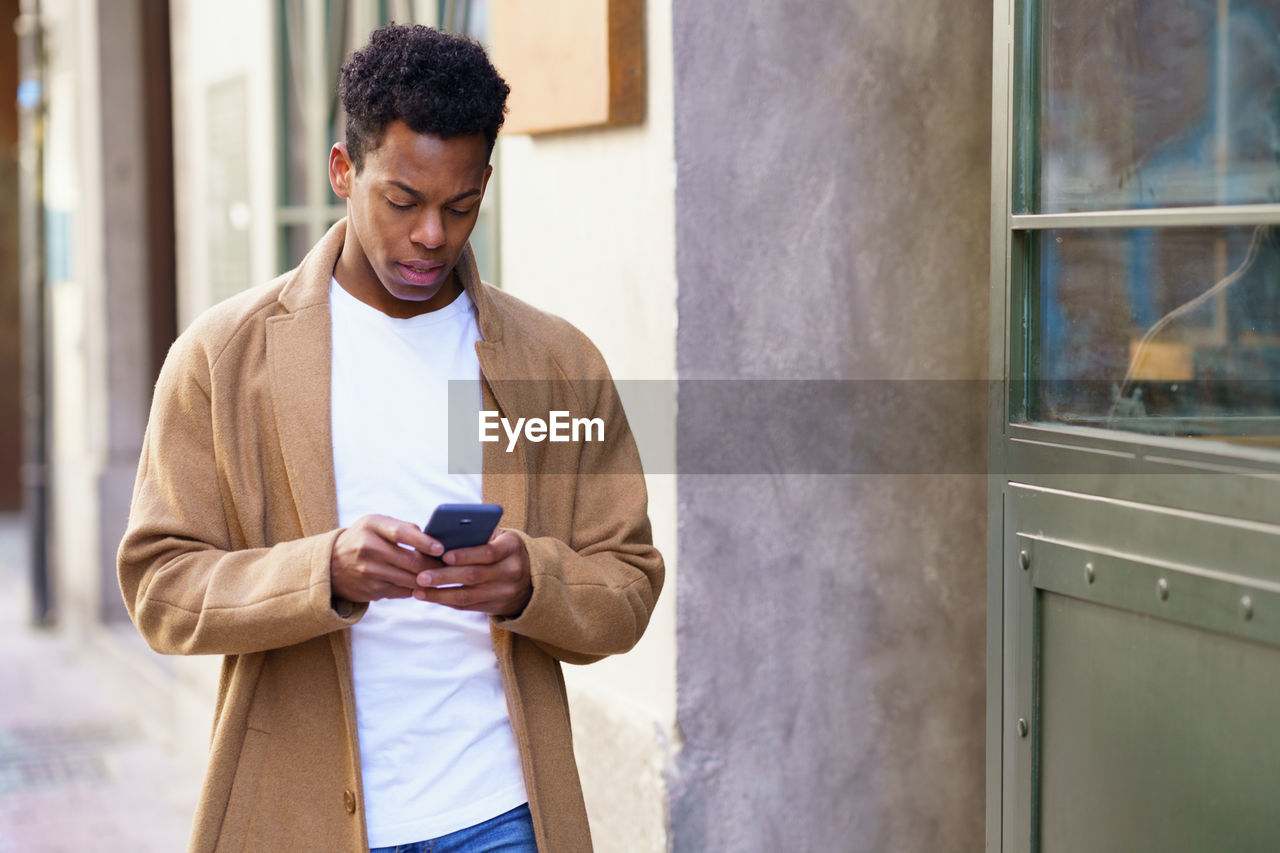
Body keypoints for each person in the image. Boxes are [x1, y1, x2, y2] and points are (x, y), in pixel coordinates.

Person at [118, 23, 663, 853]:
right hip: (301, 814)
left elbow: (627, 581)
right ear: (345, 170)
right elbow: (160, 587)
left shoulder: (556, 364)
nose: (433, 237)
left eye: (461, 206)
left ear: (485, 181)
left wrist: (530, 580)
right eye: (402, 202)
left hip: (501, 815)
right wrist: (321, 570)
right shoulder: (224, 359)